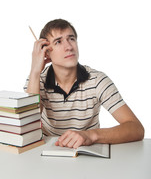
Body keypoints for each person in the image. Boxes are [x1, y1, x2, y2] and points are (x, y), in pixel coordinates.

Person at [24, 19, 144, 149]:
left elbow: (136, 128)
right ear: (46, 52)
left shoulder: (97, 80)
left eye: (71, 39)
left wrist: (91, 135)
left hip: (87, 152)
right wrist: (35, 71)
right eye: (58, 42)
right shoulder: (37, 80)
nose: (69, 47)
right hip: (47, 151)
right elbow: (29, 127)